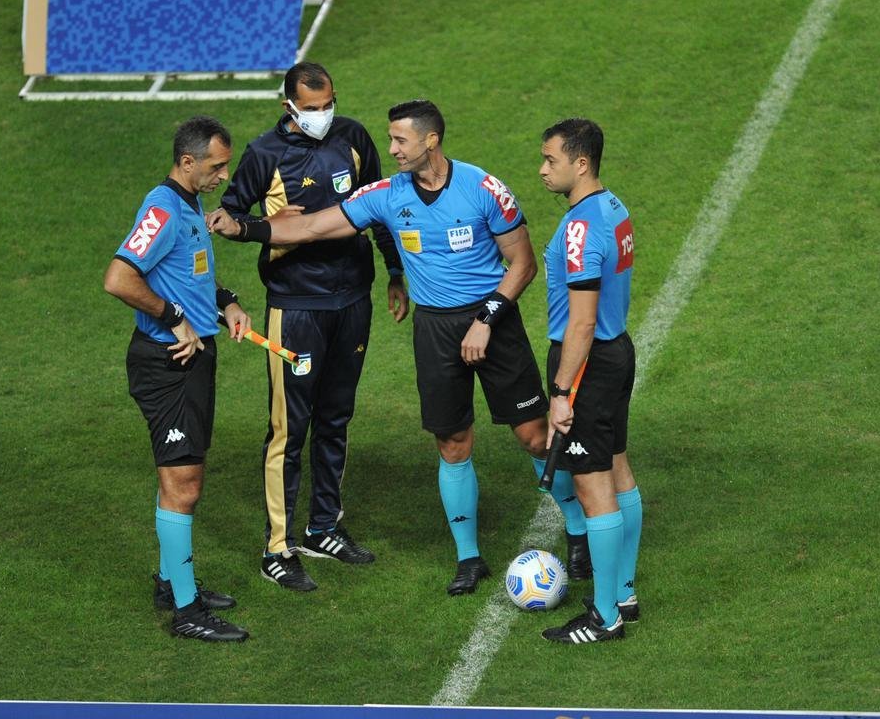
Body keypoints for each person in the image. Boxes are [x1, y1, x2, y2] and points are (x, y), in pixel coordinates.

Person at [208, 99, 586, 596]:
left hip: (493, 322)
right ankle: (468, 558)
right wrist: (246, 227)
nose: (390, 149)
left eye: (400, 140)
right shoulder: (387, 194)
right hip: (434, 331)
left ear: (431, 140)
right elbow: (315, 225)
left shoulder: (484, 189)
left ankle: (579, 534)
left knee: (536, 436)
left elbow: (522, 264)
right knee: (453, 444)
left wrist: (486, 320)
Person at [213, 62, 407, 592]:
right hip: (294, 308)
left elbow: (381, 207)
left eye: (328, 105)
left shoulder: (353, 138)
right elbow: (227, 219)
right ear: (289, 107)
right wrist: (273, 228)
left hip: (353, 302)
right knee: (288, 430)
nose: (323, 116)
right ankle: (277, 548)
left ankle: (323, 528)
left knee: (336, 418)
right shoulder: (263, 154)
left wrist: (393, 270)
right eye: (312, 108)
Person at [104, 115, 252, 642]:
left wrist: (226, 303)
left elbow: (190, 274)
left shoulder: (189, 204)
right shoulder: (162, 207)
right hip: (167, 363)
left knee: (185, 478)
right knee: (182, 485)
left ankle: (172, 581)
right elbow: (119, 278)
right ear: (186, 162)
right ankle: (187, 612)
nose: (224, 177)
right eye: (216, 166)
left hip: (192, 358)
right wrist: (173, 319)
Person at [536, 118, 642, 644]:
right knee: (619, 468)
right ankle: (623, 590)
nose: (542, 169)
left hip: (587, 362)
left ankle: (605, 617)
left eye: (550, 159)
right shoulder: (614, 207)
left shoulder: (579, 228)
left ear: (581, 163)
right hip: (617, 349)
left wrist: (560, 392)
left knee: (592, 481)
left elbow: (580, 320)